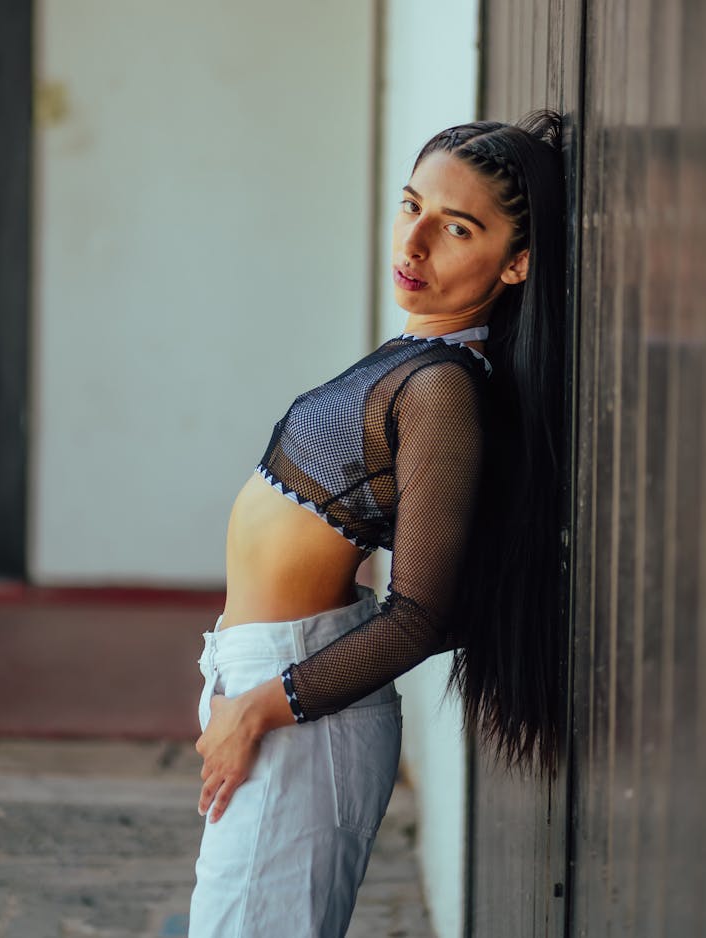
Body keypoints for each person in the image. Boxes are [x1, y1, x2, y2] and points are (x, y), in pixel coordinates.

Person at [188, 110, 566, 937]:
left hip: (296, 705)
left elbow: (425, 613)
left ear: (517, 264)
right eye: (411, 205)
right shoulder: (413, 360)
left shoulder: (441, 389)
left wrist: (260, 707)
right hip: (274, 685)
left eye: (457, 227)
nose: (416, 240)